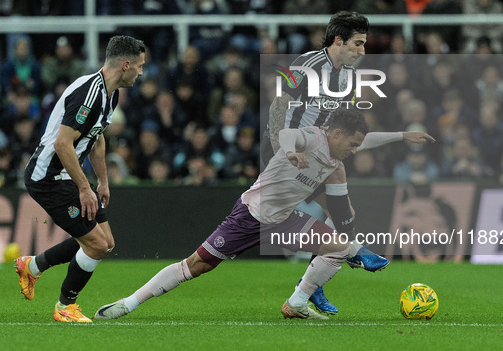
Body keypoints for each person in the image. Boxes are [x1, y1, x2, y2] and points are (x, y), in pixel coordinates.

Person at [95, 107, 369, 320]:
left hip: (284, 218)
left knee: (338, 247)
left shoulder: (335, 161)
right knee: (196, 265)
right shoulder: (310, 139)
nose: (354, 150)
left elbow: (333, 200)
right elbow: (288, 135)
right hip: (251, 215)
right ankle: (128, 303)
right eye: (353, 143)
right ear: (336, 134)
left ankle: (297, 303)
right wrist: (289, 152)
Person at [263, 11, 435, 315]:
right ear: (338, 41)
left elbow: (340, 132)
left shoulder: (346, 78)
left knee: (343, 213)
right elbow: (279, 107)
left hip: (317, 155)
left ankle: (312, 285)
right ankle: (350, 255)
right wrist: (282, 153)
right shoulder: (307, 65)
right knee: (340, 212)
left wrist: (401, 135)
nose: (362, 51)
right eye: (357, 44)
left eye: (364, 44)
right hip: (289, 152)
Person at [14, 35, 145, 323]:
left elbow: (96, 139)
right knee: (96, 245)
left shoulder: (111, 94)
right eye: (139, 65)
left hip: (68, 174)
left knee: (105, 242)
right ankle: (65, 307)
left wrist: (102, 181)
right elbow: (63, 144)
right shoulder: (89, 93)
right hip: (48, 177)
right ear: (125, 65)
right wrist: (84, 188)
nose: (141, 72)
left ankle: (32, 266)